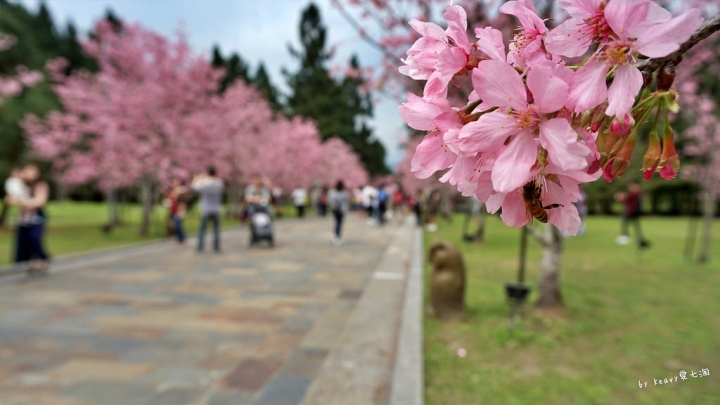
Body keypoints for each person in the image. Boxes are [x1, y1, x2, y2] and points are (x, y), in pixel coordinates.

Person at [5, 164, 50, 274]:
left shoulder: (40, 186)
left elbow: (40, 201)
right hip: (24, 219)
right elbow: (10, 199)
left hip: (36, 218)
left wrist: (21, 201)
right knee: (23, 243)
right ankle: (25, 263)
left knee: (34, 240)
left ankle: (42, 260)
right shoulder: (21, 186)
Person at [192, 166, 224, 253]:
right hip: (216, 209)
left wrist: (197, 178)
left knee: (202, 229)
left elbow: (194, 187)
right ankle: (216, 247)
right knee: (216, 229)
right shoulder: (219, 182)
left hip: (206, 209)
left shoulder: (205, 183)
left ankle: (200, 247)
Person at [616, 182, 650, 248]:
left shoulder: (634, 193)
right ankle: (638, 238)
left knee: (626, 224)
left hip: (631, 211)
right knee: (636, 225)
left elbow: (626, 199)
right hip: (634, 211)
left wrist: (620, 198)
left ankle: (625, 237)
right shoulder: (638, 193)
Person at [166, 178, 188, 245]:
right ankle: (180, 238)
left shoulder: (181, 190)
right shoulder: (174, 190)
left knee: (178, 225)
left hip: (179, 210)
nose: (174, 183)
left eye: (176, 182)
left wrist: (182, 210)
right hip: (173, 210)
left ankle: (181, 239)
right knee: (176, 225)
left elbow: (182, 201)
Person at [328, 180, 351, 245]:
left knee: (337, 222)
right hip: (340, 210)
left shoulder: (332, 192)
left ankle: (336, 235)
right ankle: (337, 236)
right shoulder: (345, 193)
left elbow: (330, 201)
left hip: (336, 209)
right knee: (339, 223)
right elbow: (347, 201)